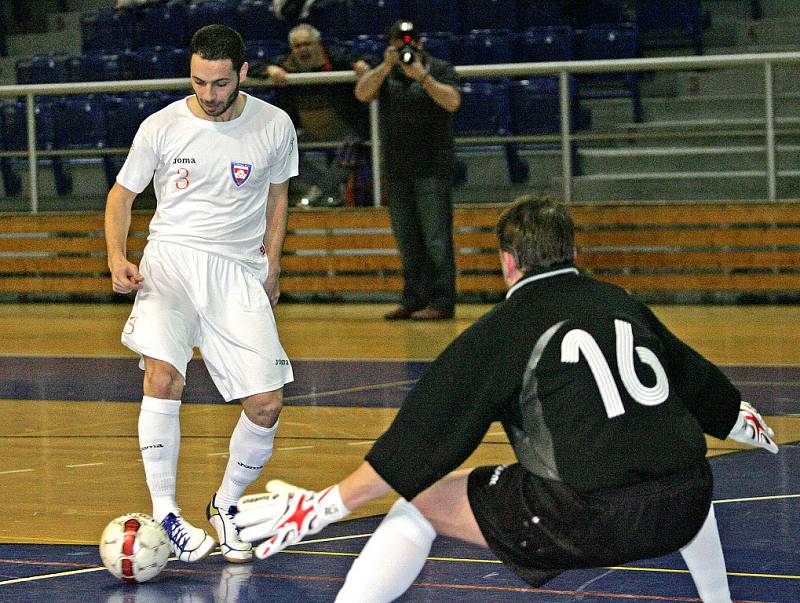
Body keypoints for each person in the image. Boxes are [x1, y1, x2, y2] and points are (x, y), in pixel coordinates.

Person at [234, 195, 779, 602]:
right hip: (684, 506)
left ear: (507, 262)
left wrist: (323, 507)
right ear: (572, 250)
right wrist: (736, 417)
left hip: (585, 520)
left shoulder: (505, 330)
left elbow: (418, 448)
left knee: (421, 502)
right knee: (673, 461)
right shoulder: (620, 301)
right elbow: (697, 378)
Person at [104, 24, 298, 564]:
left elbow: (278, 196)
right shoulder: (161, 126)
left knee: (266, 403)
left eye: (219, 84)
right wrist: (117, 256)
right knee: (162, 374)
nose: (209, 96)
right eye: (198, 83)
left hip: (238, 272)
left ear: (242, 74)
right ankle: (165, 509)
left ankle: (227, 505)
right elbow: (122, 194)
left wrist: (273, 262)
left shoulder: (275, 124)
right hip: (170, 260)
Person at [355, 20, 460, 321]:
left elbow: (453, 102)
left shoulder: (438, 68)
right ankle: (414, 299)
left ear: (421, 43)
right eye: (400, 42)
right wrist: (385, 67)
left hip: (433, 168)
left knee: (436, 241)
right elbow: (362, 94)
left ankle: (442, 301)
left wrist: (423, 77)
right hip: (398, 170)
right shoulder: (385, 71)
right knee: (408, 241)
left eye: (410, 41)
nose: (406, 47)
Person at [251, 23, 375, 206]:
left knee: (355, 146)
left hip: (346, 131)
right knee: (278, 148)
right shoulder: (286, 64)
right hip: (307, 133)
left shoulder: (336, 58)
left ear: (318, 44)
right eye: (297, 46)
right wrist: (268, 70)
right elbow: (246, 67)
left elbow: (370, 59)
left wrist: (361, 64)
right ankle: (324, 195)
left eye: (307, 44)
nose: (303, 50)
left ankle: (316, 194)